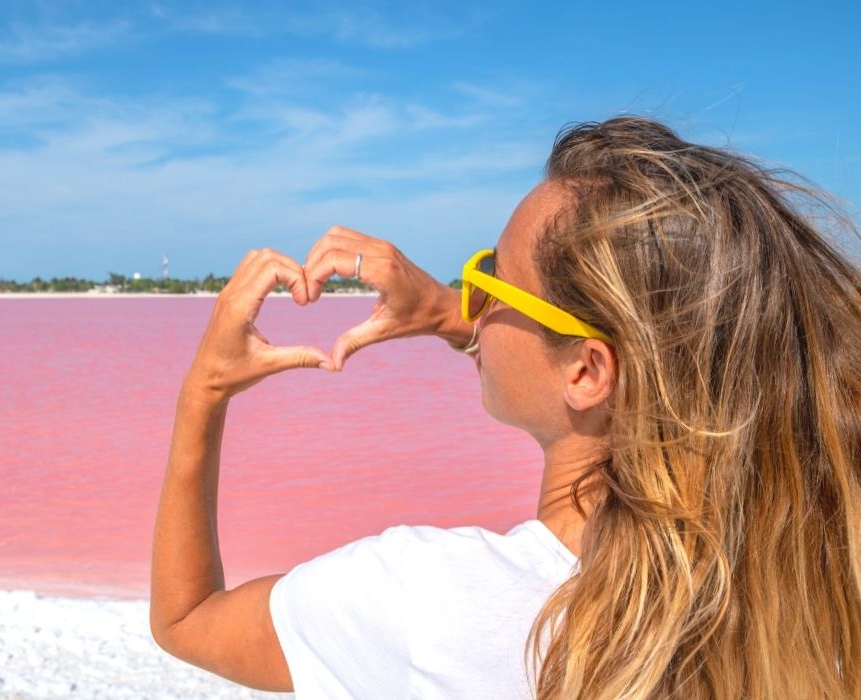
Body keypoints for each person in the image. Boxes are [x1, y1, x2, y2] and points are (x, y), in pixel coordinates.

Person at [149, 117, 861, 698]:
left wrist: (204, 390)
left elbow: (188, 619)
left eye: (493, 279)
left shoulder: (424, 606)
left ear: (589, 371)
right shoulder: (808, 578)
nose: (474, 296)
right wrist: (450, 314)